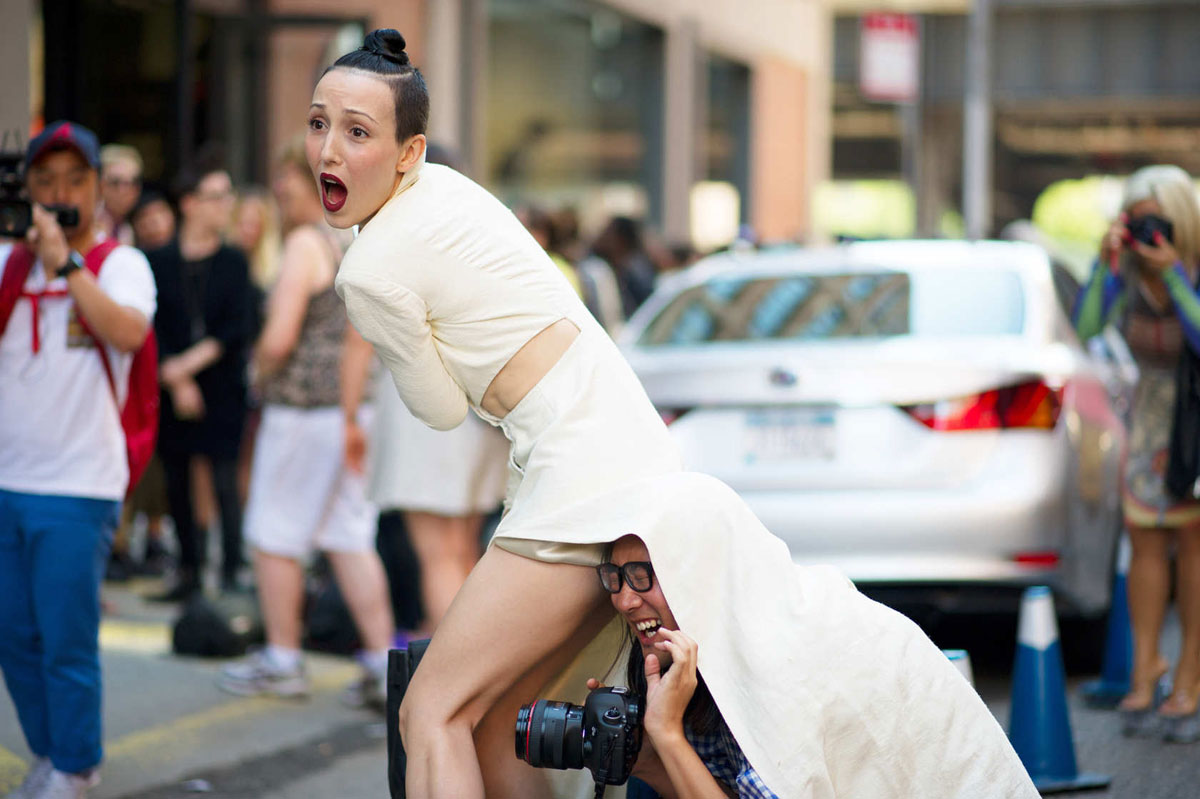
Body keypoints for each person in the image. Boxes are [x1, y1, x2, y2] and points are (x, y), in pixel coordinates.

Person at [312, 30, 681, 797]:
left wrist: (412, 336)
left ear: (408, 151)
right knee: (497, 718)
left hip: (576, 475)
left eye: (358, 132)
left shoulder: (369, 270)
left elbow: (441, 410)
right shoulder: (452, 192)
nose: (330, 153)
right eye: (319, 125)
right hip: (630, 452)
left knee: (431, 709)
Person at [569, 477, 1039, 798]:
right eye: (614, 577)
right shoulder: (717, 643)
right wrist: (649, 755)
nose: (625, 601)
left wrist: (668, 735)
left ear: (701, 569)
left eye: (643, 576)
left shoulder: (787, 652)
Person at [0, 121, 156, 799]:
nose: (59, 192)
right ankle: (52, 751)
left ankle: (78, 766)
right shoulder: (7, 261)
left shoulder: (121, 263)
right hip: (8, 476)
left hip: (79, 483)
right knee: (14, 636)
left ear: (97, 189)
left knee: (65, 640)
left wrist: (66, 262)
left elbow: (127, 330)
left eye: (74, 180)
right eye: (45, 180)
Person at [218, 137, 394, 707]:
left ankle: (283, 659)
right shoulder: (348, 236)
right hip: (348, 410)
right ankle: (379, 662)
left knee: (274, 534)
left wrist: (256, 374)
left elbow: (279, 336)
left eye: (285, 181)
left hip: (301, 412)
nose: (278, 193)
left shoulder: (301, 243)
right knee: (347, 534)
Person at [1072, 164, 1200, 742]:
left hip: (1194, 416)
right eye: (1138, 217)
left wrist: (1173, 275)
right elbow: (1089, 326)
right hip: (1148, 418)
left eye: (1159, 217)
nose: (1150, 228)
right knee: (1145, 541)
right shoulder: (1123, 266)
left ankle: (1190, 678)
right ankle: (1146, 667)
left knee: (1194, 547)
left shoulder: (1188, 265)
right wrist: (1105, 264)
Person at [147, 161, 251, 599]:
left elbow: (238, 326)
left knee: (225, 480)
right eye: (216, 196)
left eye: (228, 195)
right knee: (177, 478)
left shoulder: (233, 261)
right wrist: (175, 378)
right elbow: (150, 324)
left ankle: (229, 573)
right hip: (170, 385)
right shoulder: (156, 260)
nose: (225, 206)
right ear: (189, 204)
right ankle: (188, 572)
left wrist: (185, 367)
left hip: (221, 386)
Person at [97, 144, 143, 246]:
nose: (125, 190)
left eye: (133, 182)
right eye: (115, 182)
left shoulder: (128, 229)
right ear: (99, 184)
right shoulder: (88, 223)